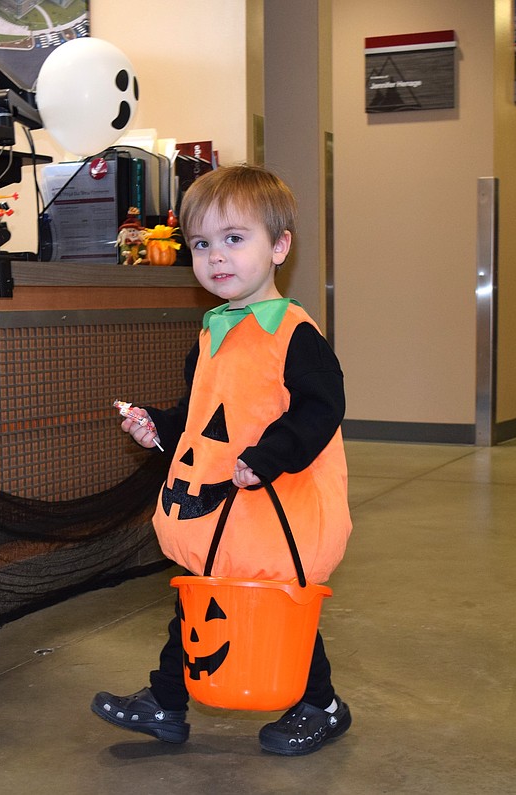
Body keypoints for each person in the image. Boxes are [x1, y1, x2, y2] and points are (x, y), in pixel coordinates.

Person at [90, 165, 353, 755]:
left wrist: (269, 457)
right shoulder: (211, 334)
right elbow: (200, 417)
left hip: (276, 511)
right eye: (202, 244)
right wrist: (156, 426)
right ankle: (166, 703)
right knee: (201, 607)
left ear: (279, 246)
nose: (216, 257)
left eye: (235, 239)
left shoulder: (293, 334)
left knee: (279, 611)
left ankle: (322, 705)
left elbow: (322, 407)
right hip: (221, 512)